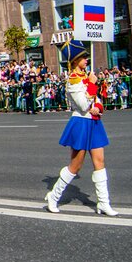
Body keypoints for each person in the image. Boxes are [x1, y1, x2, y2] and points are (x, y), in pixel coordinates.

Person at [45, 40, 118, 216]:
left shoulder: (87, 77)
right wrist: (92, 85)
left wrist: (98, 107)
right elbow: (83, 104)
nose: (87, 60)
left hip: (94, 122)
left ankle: (103, 203)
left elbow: (96, 100)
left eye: (86, 56)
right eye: (83, 57)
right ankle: (53, 197)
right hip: (81, 123)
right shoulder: (73, 80)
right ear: (75, 60)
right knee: (75, 166)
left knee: (99, 162)